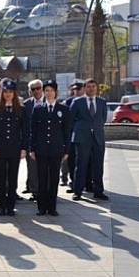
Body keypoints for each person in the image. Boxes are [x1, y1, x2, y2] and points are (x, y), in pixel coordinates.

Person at [30, 79, 71, 216]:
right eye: (46, 90)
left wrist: (67, 150)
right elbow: (33, 131)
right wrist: (32, 148)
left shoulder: (63, 109)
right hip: (41, 149)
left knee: (54, 179)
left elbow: (67, 131)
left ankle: (52, 207)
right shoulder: (38, 109)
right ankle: (41, 207)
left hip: (56, 149)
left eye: (51, 90)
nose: (48, 93)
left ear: (56, 92)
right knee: (42, 179)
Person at [0, 80, 29, 216]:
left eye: (10, 92)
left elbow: (25, 130)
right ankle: (2, 205)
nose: (8, 94)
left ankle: (10, 206)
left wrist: (24, 148)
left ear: (14, 93)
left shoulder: (21, 109)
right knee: (0, 176)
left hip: (14, 148)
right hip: (0, 148)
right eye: (5, 91)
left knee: (12, 177)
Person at [69, 78, 109, 201]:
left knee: (98, 166)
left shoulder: (102, 102)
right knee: (81, 165)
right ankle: (78, 191)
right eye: (88, 86)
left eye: (93, 86)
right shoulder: (77, 102)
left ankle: (98, 191)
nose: (91, 89)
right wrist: (80, 128)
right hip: (82, 138)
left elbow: (103, 118)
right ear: (85, 88)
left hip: (97, 138)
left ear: (96, 88)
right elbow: (71, 119)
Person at [23, 79, 45, 201]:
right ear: (30, 91)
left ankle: (46, 191)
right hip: (31, 142)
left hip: (47, 142)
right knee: (32, 168)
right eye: (33, 89)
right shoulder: (26, 105)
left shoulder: (50, 102)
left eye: (38, 88)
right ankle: (35, 192)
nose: (36, 91)